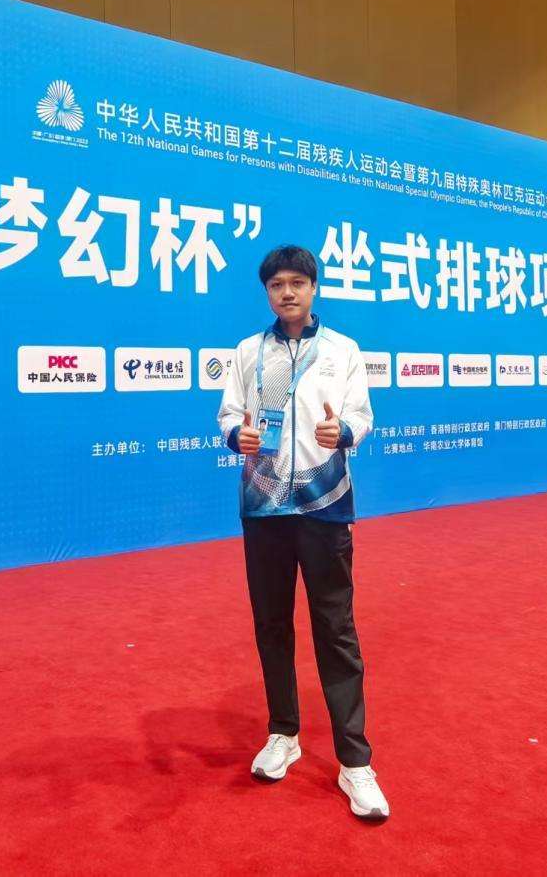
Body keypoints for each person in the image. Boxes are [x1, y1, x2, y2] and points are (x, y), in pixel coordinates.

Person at [216, 244, 389, 820]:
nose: (286, 292)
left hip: (325, 506)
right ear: (266, 292)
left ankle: (355, 762)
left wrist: (345, 431)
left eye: (296, 282)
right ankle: (283, 734)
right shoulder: (248, 351)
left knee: (335, 629)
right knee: (271, 625)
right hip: (263, 507)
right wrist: (234, 437)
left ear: (313, 288)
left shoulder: (343, 349)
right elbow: (228, 413)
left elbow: (362, 414)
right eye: (276, 284)